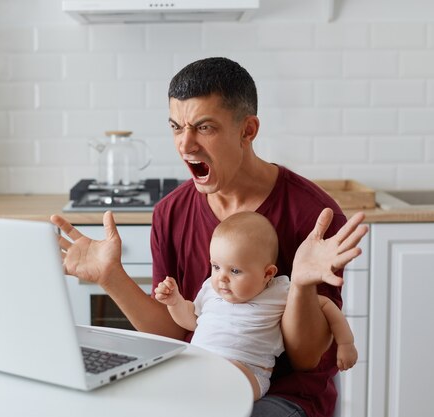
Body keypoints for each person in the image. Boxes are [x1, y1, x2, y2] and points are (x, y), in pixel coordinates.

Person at [50, 57, 369, 417]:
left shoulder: (314, 216)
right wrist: (111, 276)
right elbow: (172, 331)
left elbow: (306, 358)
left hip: (284, 396)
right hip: (196, 383)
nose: (186, 145)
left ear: (247, 130)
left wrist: (302, 285)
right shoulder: (170, 212)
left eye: (204, 128)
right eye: (176, 127)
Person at [154, 211, 358, 401]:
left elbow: (327, 305)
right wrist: (175, 303)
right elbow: (191, 321)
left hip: (247, 370)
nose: (221, 278)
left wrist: (346, 343)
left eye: (235, 271)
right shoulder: (210, 289)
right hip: (200, 364)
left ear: (267, 274)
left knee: (217, 387)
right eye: (216, 267)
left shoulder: (279, 292)